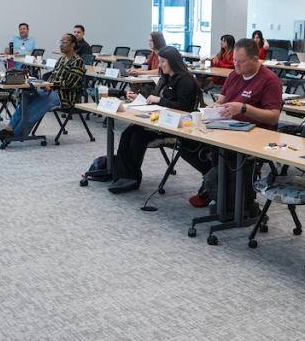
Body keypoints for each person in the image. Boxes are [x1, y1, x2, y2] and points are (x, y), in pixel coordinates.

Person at [180, 38, 282, 211]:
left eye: (240, 61)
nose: (236, 65)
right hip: (225, 128)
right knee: (186, 145)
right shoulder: (234, 75)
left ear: (255, 59)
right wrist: (213, 108)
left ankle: (221, 192)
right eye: (234, 60)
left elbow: (273, 117)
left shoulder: (270, 80)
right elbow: (221, 101)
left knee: (224, 155)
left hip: (253, 135)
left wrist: (243, 108)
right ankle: (215, 186)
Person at [109, 46, 201, 193]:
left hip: (175, 126)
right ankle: (121, 174)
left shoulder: (185, 80)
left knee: (138, 136)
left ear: (173, 61)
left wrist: (158, 100)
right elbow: (157, 99)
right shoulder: (166, 78)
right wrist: (141, 98)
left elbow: (184, 107)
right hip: (159, 119)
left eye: (163, 61)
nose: (160, 65)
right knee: (128, 132)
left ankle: (132, 178)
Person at [0, 33, 85, 142]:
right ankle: (8, 129)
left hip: (65, 96)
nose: (61, 45)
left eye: (64, 42)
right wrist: (46, 85)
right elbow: (52, 77)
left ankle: (15, 134)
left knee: (34, 108)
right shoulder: (61, 60)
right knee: (26, 100)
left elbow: (70, 83)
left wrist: (50, 85)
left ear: (73, 45)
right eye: (60, 42)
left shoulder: (78, 61)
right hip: (51, 90)